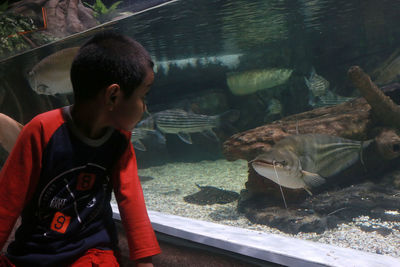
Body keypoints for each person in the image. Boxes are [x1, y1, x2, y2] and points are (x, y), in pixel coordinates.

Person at [0, 31, 161, 266]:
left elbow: (130, 196)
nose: (144, 107)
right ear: (113, 96)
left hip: (92, 252)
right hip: (34, 251)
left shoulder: (120, 138)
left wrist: (145, 259)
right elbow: (8, 199)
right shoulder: (42, 130)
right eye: (142, 96)